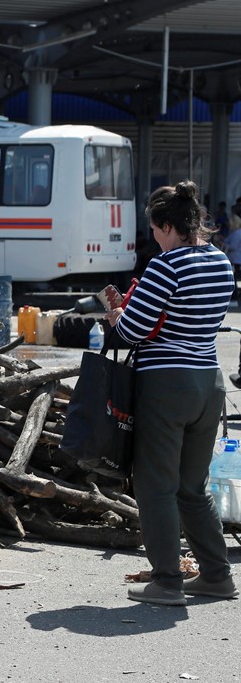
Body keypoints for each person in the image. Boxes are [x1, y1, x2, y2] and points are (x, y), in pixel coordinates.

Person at [106, 180, 237, 606]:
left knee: (155, 486)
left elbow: (132, 331)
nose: (155, 239)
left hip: (166, 385)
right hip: (207, 381)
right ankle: (217, 575)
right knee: (192, 487)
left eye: (155, 230)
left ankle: (166, 581)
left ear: (165, 226)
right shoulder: (221, 262)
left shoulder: (166, 266)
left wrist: (115, 313)